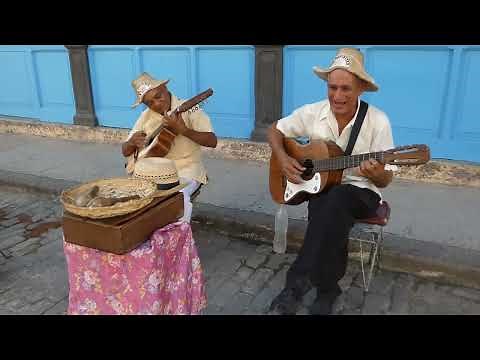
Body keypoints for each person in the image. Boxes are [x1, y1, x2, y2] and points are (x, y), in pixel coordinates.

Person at [267, 48, 398, 315]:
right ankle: (328, 289)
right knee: (327, 203)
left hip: (362, 192)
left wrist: (376, 173)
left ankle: (296, 284)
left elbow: (386, 181)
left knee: (332, 200)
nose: (337, 96)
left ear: (361, 88)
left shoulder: (378, 121)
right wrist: (282, 158)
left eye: (346, 89)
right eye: (333, 87)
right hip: (322, 189)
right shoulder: (313, 112)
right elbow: (274, 130)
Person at [122, 72, 217, 223]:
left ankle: (177, 238)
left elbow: (213, 141)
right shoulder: (146, 115)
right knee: (131, 198)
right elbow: (125, 151)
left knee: (176, 198)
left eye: (158, 96)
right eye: (150, 103)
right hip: (152, 170)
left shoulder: (190, 109)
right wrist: (131, 142)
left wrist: (183, 131)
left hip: (186, 168)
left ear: (165, 87)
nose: (156, 104)